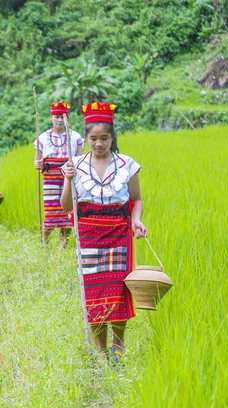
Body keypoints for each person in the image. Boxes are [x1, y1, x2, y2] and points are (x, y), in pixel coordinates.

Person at [60, 101, 147, 362]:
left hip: (118, 237)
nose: (99, 144)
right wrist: (68, 178)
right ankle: (101, 353)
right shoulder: (76, 165)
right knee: (95, 296)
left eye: (104, 138)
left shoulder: (127, 165)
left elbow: (137, 200)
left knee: (117, 293)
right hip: (88, 238)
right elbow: (66, 206)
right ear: (85, 138)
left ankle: (118, 349)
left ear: (112, 137)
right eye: (93, 138)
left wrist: (136, 220)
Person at [34, 102, 84, 243]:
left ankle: (63, 245)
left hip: (68, 178)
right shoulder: (42, 137)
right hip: (50, 180)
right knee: (51, 213)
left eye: (63, 117)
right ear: (51, 117)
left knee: (67, 211)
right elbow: (37, 160)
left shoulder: (76, 137)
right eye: (57, 116)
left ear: (67, 118)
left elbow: (80, 159)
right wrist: (38, 163)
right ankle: (44, 243)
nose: (60, 120)